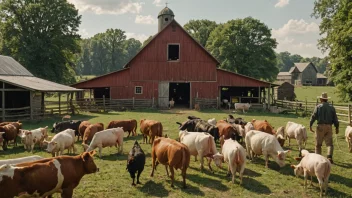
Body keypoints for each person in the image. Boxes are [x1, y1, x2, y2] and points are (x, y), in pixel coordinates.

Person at [309, 92, 339, 164]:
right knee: (329, 144)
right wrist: (337, 127)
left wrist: (310, 125)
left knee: (318, 144)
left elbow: (313, 116)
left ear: (321, 99)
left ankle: (318, 158)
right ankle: (329, 157)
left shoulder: (318, 107)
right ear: (327, 99)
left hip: (320, 126)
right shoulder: (332, 108)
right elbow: (335, 119)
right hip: (329, 126)